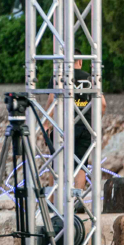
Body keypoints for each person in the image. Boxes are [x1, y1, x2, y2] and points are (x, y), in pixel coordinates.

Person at [45, 59, 107, 187]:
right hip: (85, 127)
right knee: (81, 165)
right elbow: (103, 104)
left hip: (62, 128)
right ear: (80, 61)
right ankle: (78, 202)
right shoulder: (91, 79)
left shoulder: (59, 78)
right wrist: (94, 122)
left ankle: (51, 203)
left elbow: (52, 100)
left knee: (56, 163)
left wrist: (46, 124)